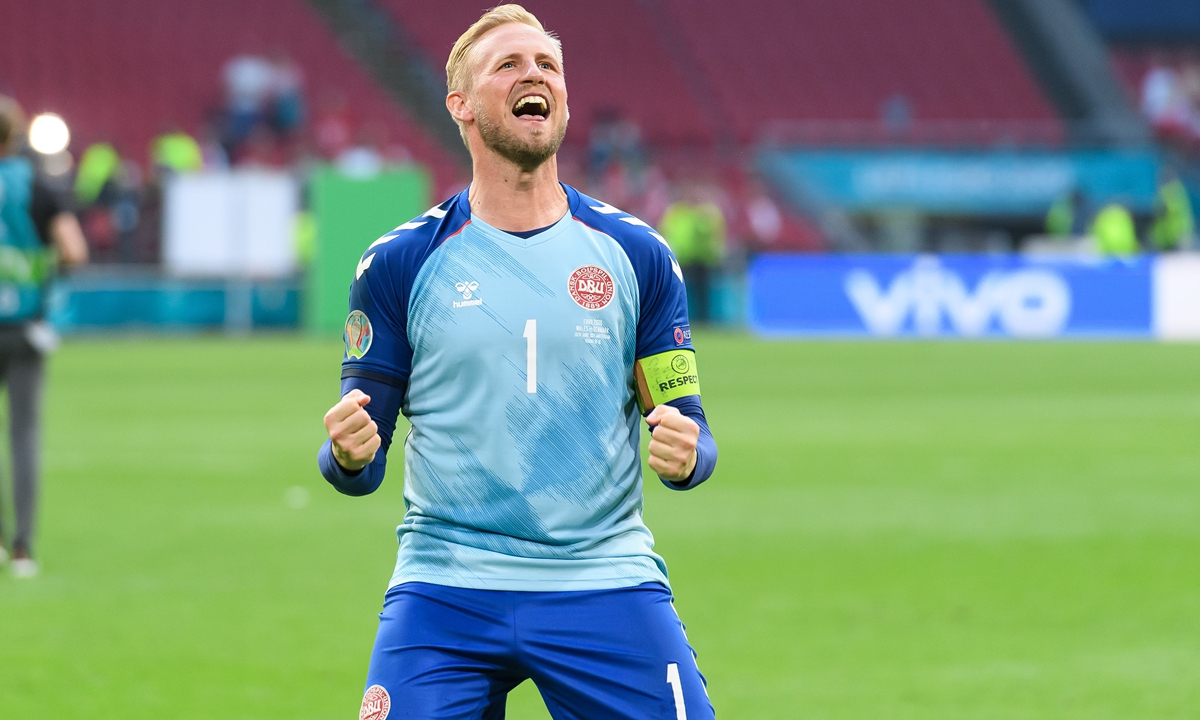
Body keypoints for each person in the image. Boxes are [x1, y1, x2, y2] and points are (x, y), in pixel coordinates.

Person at [317, 6, 718, 719]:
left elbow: (690, 429)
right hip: (445, 589)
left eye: (547, 65)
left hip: (603, 578)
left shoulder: (639, 256)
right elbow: (359, 463)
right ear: (461, 105)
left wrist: (689, 455)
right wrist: (346, 455)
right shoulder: (400, 263)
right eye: (508, 65)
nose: (535, 75)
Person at [0, 96, 88, 577]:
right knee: (24, 435)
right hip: (27, 328)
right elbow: (74, 250)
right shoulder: (39, 187)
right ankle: (22, 547)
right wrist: (44, 276)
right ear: (15, 136)